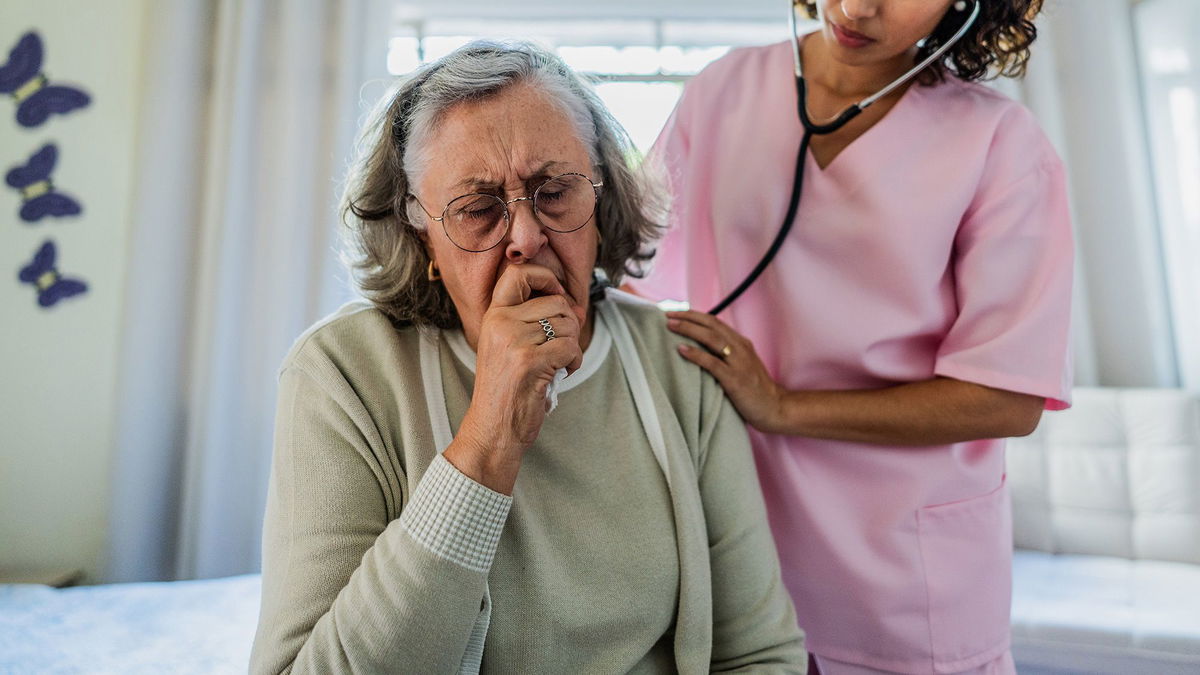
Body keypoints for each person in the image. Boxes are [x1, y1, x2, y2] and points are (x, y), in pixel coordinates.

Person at [248, 41, 806, 675]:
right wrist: (490, 438)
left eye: (555, 193)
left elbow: (760, 654)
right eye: (479, 210)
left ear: (602, 205)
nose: (525, 237)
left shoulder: (679, 364)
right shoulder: (341, 373)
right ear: (421, 235)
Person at [631, 1, 1072, 674]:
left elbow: (1006, 397)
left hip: (906, 578)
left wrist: (781, 406)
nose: (859, 6)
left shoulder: (1000, 144)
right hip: (745, 546)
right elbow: (626, 272)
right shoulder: (722, 92)